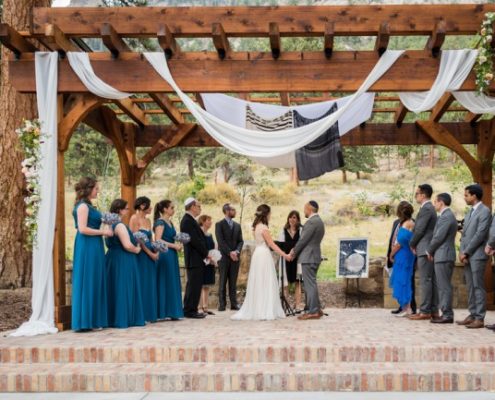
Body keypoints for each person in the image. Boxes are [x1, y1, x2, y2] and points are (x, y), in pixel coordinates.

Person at [232, 204, 289, 321]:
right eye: (270, 213)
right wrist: (284, 254)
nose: (270, 216)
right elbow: (272, 244)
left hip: (257, 254)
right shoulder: (264, 228)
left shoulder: (256, 227)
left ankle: (257, 308)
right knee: (265, 280)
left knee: (258, 281)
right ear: (266, 214)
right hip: (263, 255)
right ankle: (265, 310)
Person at [71, 177, 112, 332]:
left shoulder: (90, 206)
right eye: (96, 188)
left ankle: (94, 319)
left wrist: (107, 221)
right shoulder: (83, 207)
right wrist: (103, 232)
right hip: (87, 244)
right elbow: (82, 229)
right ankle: (85, 320)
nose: (98, 190)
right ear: (88, 189)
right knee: (88, 279)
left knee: (96, 278)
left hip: (95, 244)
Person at [456, 184, 492, 329]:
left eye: (466, 195)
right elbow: (466, 234)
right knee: (470, 286)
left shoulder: (485, 211)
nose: (465, 198)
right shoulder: (469, 211)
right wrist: (461, 251)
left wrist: (467, 251)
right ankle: (472, 314)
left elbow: (480, 234)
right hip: (467, 255)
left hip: (476, 255)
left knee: (478, 286)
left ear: (474, 196)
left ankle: (480, 318)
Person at [105, 199, 145, 329]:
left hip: (112, 259)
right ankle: (124, 318)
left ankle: (112, 318)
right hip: (124, 259)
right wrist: (137, 249)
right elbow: (127, 245)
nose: (128, 211)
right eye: (127, 209)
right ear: (119, 210)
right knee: (123, 288)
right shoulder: (120, 225)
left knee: (115, 287)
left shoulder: (109, 224)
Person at [290, 200, 325, 321]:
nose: (304, 211)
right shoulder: (319, 221)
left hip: (309, 257)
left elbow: (303, 240)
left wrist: (293, 252)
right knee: (312, 283)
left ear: (310, 209)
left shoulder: (311, 222)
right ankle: (317, 309)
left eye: (305, 208)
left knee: (309, 285)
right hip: (315, 256)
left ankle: (313, 311)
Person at [426, 193, 458, 324]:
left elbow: (439, 237)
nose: (434, 204)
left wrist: (429, 250)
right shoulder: (445, 216)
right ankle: (446, 312)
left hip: (444, 255)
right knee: (443, 286)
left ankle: (447, 314)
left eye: (435, 202)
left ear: (441, 202)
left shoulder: (446, 217)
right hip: (442, 255)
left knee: (444, 286)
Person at [409, 184, 439, 321]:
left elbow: (420, 229)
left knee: (425, 280)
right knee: (429, 280)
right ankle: (433, 310)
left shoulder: (427, 208)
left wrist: (412, 243)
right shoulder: (427, 208)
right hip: (426, 247)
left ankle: (426, 310)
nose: (416, 196)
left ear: (423, 195)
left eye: (417, 193)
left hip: (424, 247)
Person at [153, 200, 184, 320]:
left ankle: (172, 311)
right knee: (164, 280)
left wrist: (178, 245)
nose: (173, 209)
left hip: (171, 254)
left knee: (171, 281)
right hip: (164, 254)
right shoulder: (160, 222)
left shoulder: (170, 222)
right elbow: (158, 240)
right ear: (165, 209)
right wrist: (173, 246)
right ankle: (162, 311)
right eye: (171, 207)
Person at [130, 196, 158, 324]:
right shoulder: (134, 219)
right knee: (141, 283)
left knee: (150, 283)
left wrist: (156, 251)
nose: (151, 207)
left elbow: (151, 239)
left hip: (151, 254)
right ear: (142, 206)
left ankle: (150, 314)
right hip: (141, 255)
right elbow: (137, 240)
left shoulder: (148, 221)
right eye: (149, 205)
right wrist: (149, 254)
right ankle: (141, 315)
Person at [180, 198, 209, 319]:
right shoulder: (187, 221)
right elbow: (195, 241)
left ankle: (190, 308)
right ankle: (190, 310)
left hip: (196, 257)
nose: (200, 209)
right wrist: (206, 253)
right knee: (193, 285)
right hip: (194, 257)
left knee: (194, 284)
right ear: (192, 206)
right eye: (198, 206)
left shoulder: (191, 220)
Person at [215, 203, 244, 311]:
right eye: (233, 210)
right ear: (227, 211)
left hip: (235, 258)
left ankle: (234, 304)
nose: (235, 212)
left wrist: (236, 251)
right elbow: (220, 241)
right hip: (224, 258)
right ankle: (222, 304)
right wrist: (230, 253)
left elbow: (241, 241)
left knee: (233, 282)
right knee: (222, 281)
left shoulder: (237, 226)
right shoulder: (219, 224)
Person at [386, 216, 417, 315]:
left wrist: (392, 254)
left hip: (405, 255)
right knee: (400, 280)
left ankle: (410, 307)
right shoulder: (396, 222)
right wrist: (390, 253)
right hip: (398, 256)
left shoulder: (412, 223)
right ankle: (403, 307)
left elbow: (401, 242)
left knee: (406, 281)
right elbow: (393, 239)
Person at [279, 210, 304, 311]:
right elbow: (280, 246)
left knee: (298, 282)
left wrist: (295, 254)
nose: (292, 219)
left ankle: (297, 305)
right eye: (290, 217)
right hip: (286, 259)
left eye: (294, 217)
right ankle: (287, 305)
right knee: (286, 283)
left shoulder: (301, 231)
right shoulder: (283, 231)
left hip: (297, 259)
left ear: (298, 219)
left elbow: (302, 244)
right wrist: (287, 255)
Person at [198, 215, 217, 315]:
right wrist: (207, 258)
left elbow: (213, 247)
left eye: (211, 220)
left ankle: (205, 306)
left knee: (207, 285)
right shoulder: (199, 233)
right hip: (202, 261)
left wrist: (214, 258)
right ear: (203, 221)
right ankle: (199, 306)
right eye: (209, 220)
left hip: (210, 261)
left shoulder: (210, 235)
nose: (210, 222)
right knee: (200, 284)